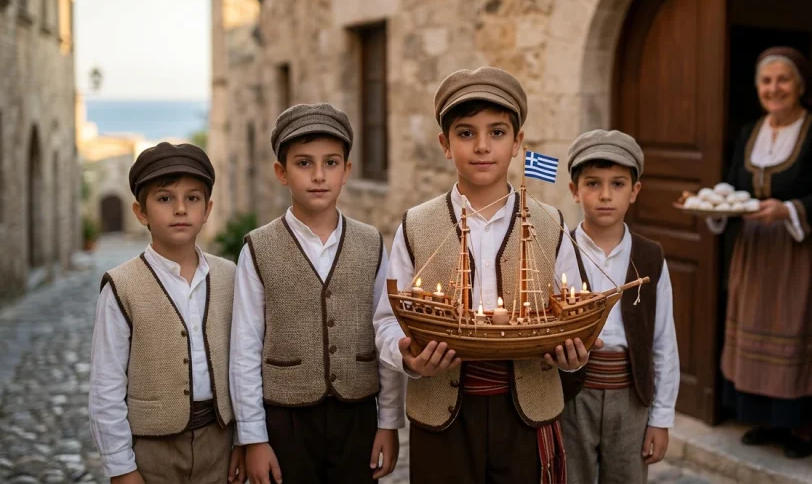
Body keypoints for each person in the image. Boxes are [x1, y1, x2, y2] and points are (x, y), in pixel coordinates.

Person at [373, 66, 593, 484]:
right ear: (445, 144)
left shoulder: (549, 224)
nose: (482, 146)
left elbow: (573, 305)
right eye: (465, 133)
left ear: (517, 143)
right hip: (443, 415)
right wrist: (407, 357)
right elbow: (387, 319)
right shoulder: (416, 226)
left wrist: (572, 356)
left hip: (526, 414)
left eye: (496, 132)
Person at [230, 103, 404, 484]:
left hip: (357, 415)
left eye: (331, 162)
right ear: (282, 172)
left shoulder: (372, 243)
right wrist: (254, 437)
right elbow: (243, 349)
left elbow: (386, 333)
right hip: (285, 419)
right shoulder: (257, 249)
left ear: (347, 171)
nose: (319, 175)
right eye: (304, 163)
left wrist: (389, 422)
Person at [707, 47, 812, 459]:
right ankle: (766, 418)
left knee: (794, 330)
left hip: (797, 255)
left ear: (800, 85)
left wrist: (788, 209)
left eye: (783, 80)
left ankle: (801, 426)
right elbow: (733, 185)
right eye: (766, 81)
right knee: (753, 329)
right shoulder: (750, 132)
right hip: (754, 252)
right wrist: (719, 208)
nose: (774, 88)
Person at [89, 142, 244, 484]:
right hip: (151, 452)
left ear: (207, 209)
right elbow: (106, 385)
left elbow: (243, 365)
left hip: (218, 443)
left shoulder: (231, 277)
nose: (180, 209)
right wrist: (121, 467)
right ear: (140, 212)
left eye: (192, 198)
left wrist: (243, 441)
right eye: (164, 198)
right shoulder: (121, 286)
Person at [560, 130, 681, 484]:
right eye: (593, 184)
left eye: (617, 184)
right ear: (574, 190)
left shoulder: (650, 256)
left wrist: (660, 418)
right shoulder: (558, 252)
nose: (605, 195)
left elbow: (663, 342)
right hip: (570, 398)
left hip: (631, 399)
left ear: (635, 191)